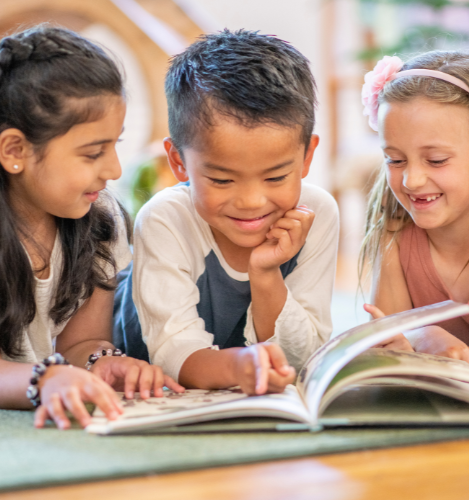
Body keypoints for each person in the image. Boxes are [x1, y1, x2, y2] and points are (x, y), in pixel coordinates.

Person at [114, 29, 339, 395]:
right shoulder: (165, 219)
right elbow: (173, 353)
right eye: (221, 180)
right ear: (178, 161)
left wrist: (266, 274)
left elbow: (303, 357)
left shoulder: (316, 214)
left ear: (307, 156)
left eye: (276, 176)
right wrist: (244, 366)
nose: (251, 201)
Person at [0, 26, 183, 431]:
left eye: (115, 145)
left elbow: (78, 344)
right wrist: (43, 378)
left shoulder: (100, 219)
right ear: (15, 151)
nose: (114, 169)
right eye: (93, 153)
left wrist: (103, 361)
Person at [360, 50, 469, 377]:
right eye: (395, 160)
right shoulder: (394, 232)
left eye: (436, 160)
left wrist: (451, 359)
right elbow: (385, 339)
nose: (412, 180)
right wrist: (419, 334)